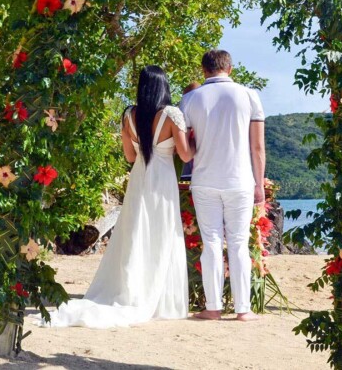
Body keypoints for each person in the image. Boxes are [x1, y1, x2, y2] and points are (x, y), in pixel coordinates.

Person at [44, 65, 193, 328]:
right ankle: (160, 298)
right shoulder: (172, 115)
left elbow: (130, 156)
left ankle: (131, 288)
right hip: (162, 181)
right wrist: (195, 140)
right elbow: (185, 155)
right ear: (164, 86)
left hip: (139, 178)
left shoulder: (129, 115)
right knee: (161, 232)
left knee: (135, 232)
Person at [180, 49, 265, 321]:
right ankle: (243, 310)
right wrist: (259, 183)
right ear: (229, 68)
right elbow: (257, 146)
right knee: (239, 243)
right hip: (240, 180)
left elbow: (186, 146)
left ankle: (213, 307)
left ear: (204, 70)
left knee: (211, 243)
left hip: (204, 180)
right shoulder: (249, 95)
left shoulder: (190, 99)